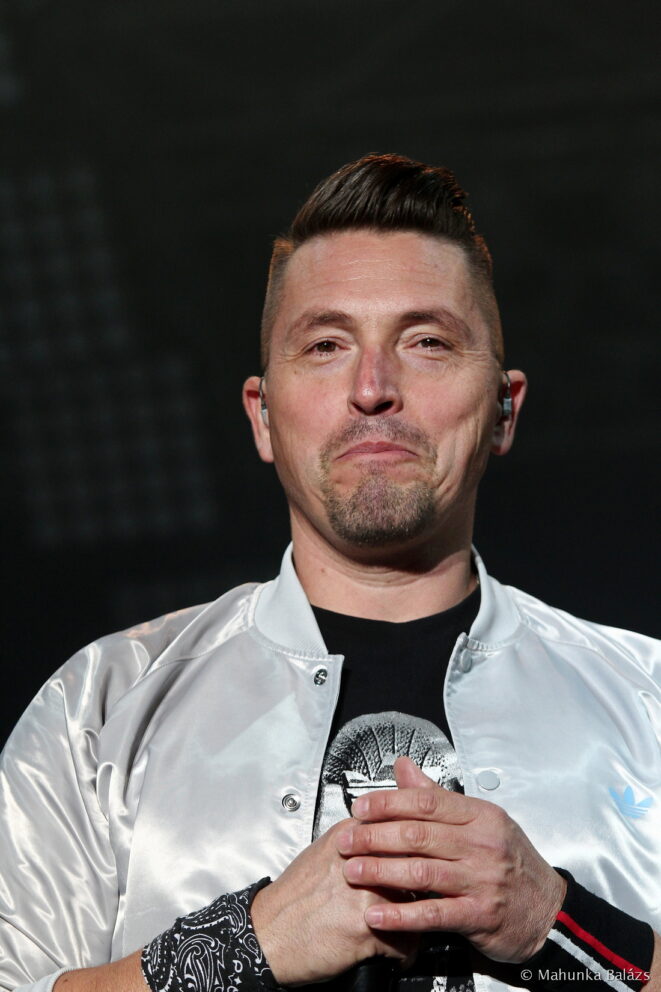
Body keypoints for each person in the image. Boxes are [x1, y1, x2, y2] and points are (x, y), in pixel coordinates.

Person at [0, 154, 659, 992]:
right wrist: (246, 948)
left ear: (502, 409)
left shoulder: (648, 704)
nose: (372, 388)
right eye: (324, 345)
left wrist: (556, 924)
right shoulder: (99, 710)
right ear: (262, 416)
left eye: (426, 342)